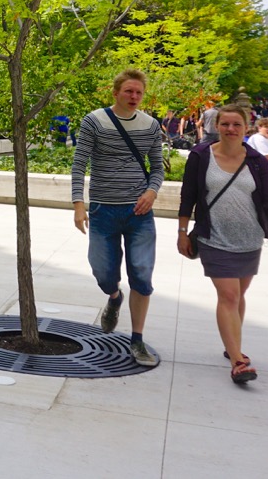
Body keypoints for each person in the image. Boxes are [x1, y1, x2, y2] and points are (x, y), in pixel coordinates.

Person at [177, 104, 268, 385]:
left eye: (237, 125)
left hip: (250, 238)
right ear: (216, 126)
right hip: (213, 237)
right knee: (229, 296)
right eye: (225, 124)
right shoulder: (200, 156)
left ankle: (232, 344)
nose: (231, 129)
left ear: (246, 128)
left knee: (239, 295)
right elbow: (188, 196)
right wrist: (183, 231)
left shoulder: (255, 160)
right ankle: (238, 361)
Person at [70, 68, 163, 367]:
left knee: (142, 274)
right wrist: (78, 204)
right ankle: (113, 297)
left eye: (138, 92)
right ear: (116, 92)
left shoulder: (150, 125)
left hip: (139, 212)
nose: (134, 97)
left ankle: (137, 340)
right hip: (102, 210)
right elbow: (78, 164)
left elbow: (158, 168)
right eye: (128, 91)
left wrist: (152, 192)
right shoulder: (94, 121)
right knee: (102, 271)